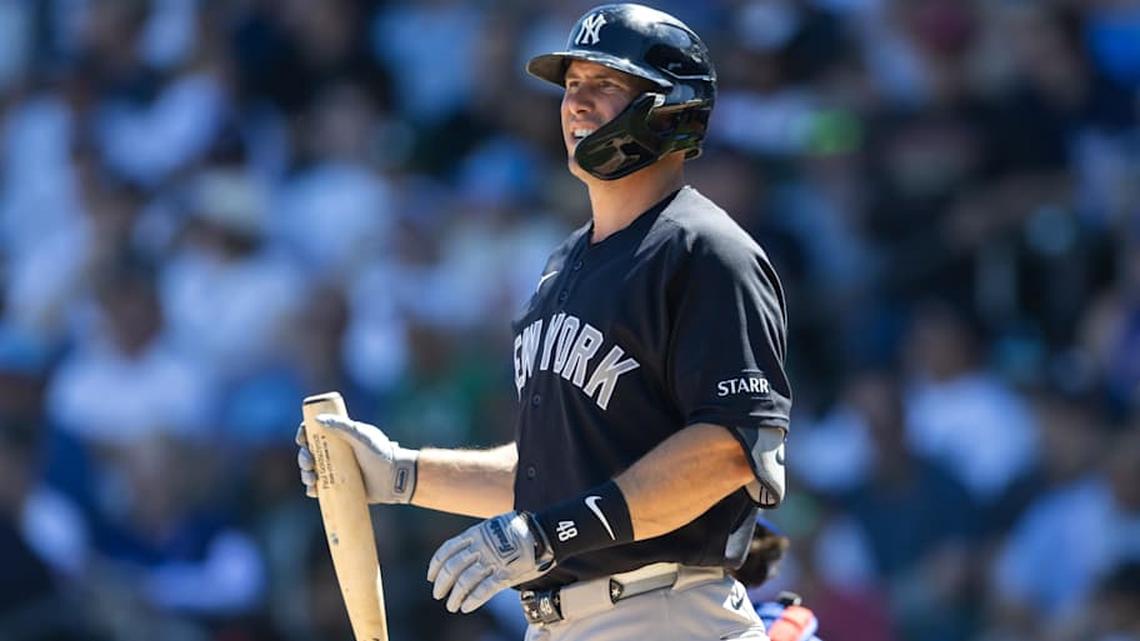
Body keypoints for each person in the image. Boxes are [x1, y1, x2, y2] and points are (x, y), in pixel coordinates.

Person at [296, 4, 793, 639]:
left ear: (671, 108)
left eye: (606, 85)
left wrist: (548, 532)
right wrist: (399, 472)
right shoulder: (564, 263)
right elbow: (551, 474)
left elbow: (730, 449)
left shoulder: (703, 250)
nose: (576, 104)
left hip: (663, 613)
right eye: (572, 85)